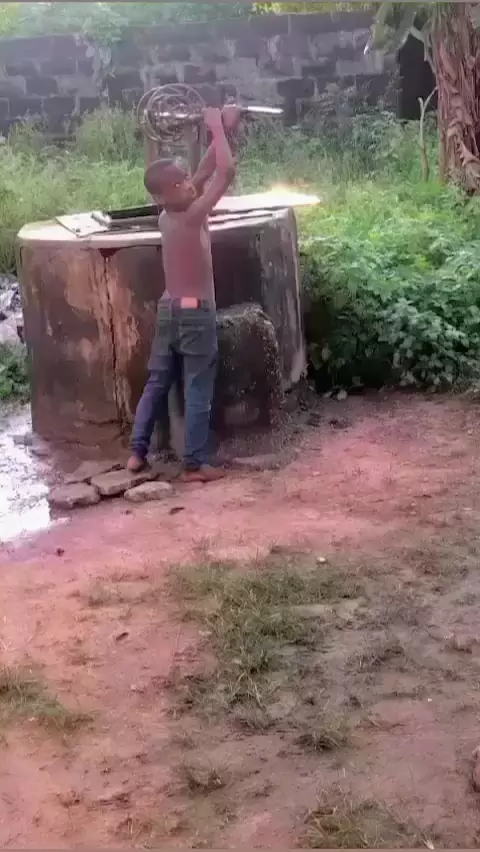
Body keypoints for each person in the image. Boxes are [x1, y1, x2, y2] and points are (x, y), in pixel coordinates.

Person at [127, 105, 240, 482]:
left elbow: (206, 170)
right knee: (197, 384)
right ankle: (194, 463)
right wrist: (215, 128)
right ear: (169, 192)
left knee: (157, 381)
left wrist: (224, 129)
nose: (191, 183)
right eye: (183, 182)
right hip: (195, 314)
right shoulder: (193, 216)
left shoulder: (167, 214)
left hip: (169, 309)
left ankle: (137, 452)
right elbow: (225, 172)